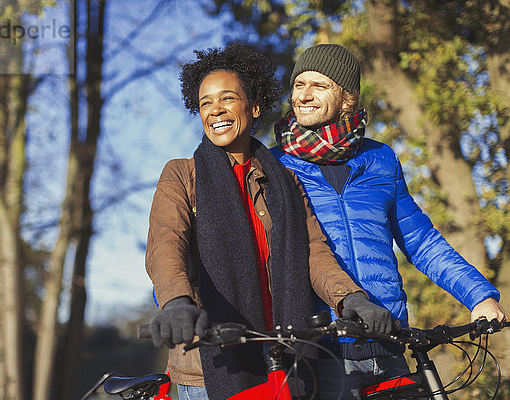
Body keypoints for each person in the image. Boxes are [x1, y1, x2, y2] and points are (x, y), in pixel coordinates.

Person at [145, 43, 387, 400]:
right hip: (208, 365)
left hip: (283, 357)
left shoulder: (285, 180)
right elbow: (166, 243)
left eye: (227, 98)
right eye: (205, 103)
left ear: (254, 106)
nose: (216, 111)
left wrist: (350, 298)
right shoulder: (182, 174)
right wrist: (177, 302)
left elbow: (314, 254)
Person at [271, 43, 507, 399]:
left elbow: (421, 242)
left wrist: (478, 296)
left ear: (348, 98)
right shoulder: (275, 168)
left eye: (319, 86)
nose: (303, 95)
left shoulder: (381, 160)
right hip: (322, 349)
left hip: (389, 339)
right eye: (298, 85)